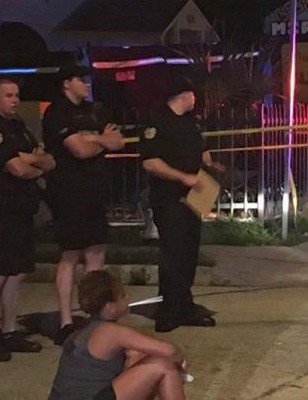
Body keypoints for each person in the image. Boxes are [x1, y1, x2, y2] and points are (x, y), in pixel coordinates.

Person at [0, 77, 56, 362]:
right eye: (8, 95)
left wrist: (31, 161)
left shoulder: (18, 127)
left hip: (21, 209)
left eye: (17, 95)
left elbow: (48, 160)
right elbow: (18, 169)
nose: (15, 100)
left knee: (17, 271)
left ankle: (8, 331)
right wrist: (33, 163)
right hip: (0, 210)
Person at [43, 65, 126, 344]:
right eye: (81, 79)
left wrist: (94, 139)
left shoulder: (96, 110)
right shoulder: (56, 113)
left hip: (95, 190)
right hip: (68, 191)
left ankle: (95, 316)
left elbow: (117, 141)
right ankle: (66, 321)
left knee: (96, 253)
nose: (87, 84)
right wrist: (99, 140)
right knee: (70, 254)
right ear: (67, 83)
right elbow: (77, 150)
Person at [139, 75, 221, 332]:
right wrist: (185, 178)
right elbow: (151, 162)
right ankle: (168, 310)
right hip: (170, 198)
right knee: (173, 255)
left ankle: (184, 305)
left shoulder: (190, 123)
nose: (195, 99)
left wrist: (211, 165)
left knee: (188, 254)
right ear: (182, 95)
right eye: (193, 94)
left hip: (194, 198)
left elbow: (200, 151)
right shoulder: (158, 123)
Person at [48, 270, 188, 400]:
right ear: (110, 306)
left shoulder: (84, 328)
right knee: (163, 366)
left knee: (141, 358)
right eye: (122, 296)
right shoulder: (110, 331)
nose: (127, 298)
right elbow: (169, 350)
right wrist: (180, 367)